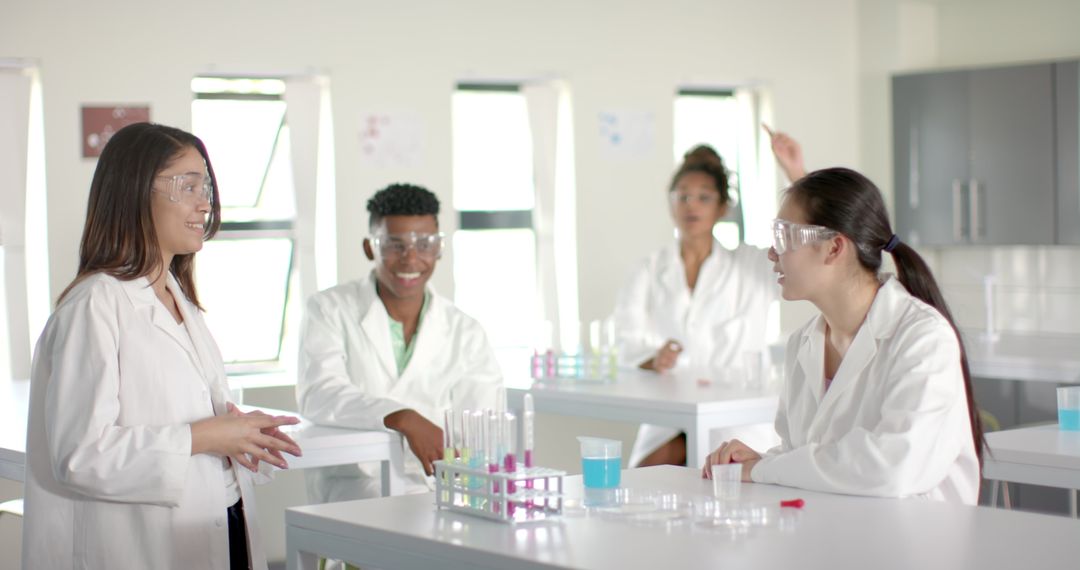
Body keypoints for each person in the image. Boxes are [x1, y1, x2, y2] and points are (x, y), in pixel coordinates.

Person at [22, 122, 303, 570]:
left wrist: (240, 435)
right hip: (140, 546)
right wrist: (205, 436)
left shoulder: (179, 300)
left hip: (221, 522)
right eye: (188, 186)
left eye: (205, 187)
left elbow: (182, 415)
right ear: (135, 192)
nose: (204, 203)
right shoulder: (95, 305)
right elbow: (80, 455)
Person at [703, 167, 983, 505]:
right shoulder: (803, 342)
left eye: (784, 236)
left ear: (834, 248)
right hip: (836, 527)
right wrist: (757, 460)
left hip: (918, 534)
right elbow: (806, 456)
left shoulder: (923, 337)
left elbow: (892, 467)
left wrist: (763, 468)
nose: (772, 253)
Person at [297, 183, 502, 502]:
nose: (411, 259)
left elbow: (483, 429)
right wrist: (402, 417)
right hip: (352, 492)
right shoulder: (329, 309)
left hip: (441, 492)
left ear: (440, 248)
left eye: (424, 244)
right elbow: (320, 393)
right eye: (395, 245)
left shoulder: (466, 331)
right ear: (370, 248)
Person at [613, 127, 804, 467]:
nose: (692, 206)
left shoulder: (750, 265)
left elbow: (806, 243)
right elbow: (625, 339)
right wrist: (652, 358)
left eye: (704, 197)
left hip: (737, 416)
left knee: (724, 479)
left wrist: (796, 173)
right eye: (683, 196)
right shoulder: (649, 269)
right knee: (642, 479)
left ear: (722, 207)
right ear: (670, 203)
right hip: (671, 412)